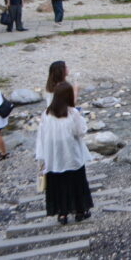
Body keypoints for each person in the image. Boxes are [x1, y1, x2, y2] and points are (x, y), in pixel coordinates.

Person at [35, 82, 94, 225]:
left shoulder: (46, 113)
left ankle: (62, 213)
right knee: (77, 183)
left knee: (58, 184)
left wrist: (41, 156)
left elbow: (41, 135)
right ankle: (80, 211)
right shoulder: (72, 113)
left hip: (53, 156)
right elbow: (80, 131)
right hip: (71, 154)